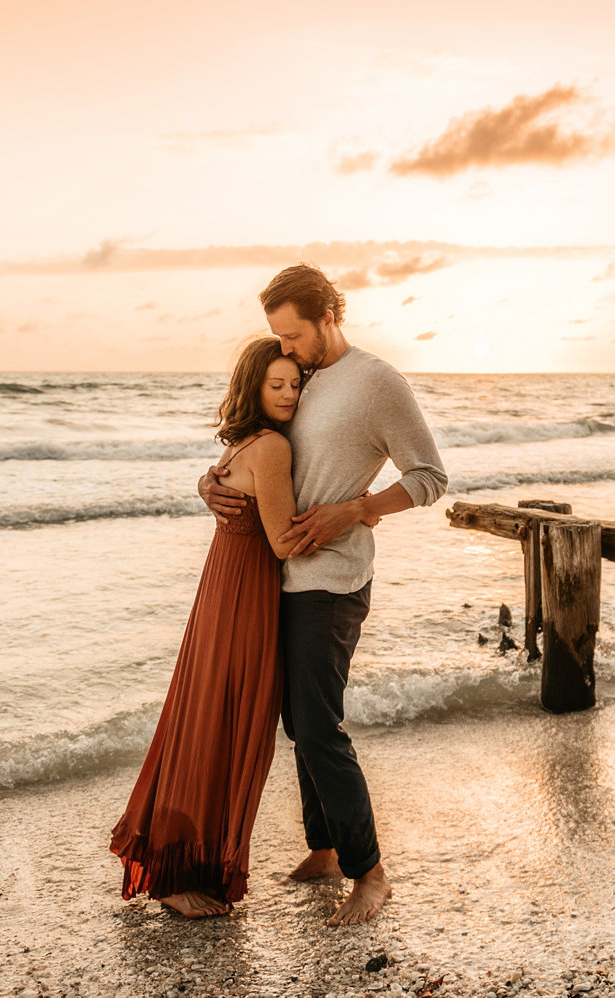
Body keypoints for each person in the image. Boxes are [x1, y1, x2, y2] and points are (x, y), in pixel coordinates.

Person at [201, 263, 447, 927]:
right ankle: (327, 847)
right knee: (297, 722)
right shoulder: (304, 378)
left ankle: (371, 873)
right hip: (280, 576)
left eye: (292, 335)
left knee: (316, 726)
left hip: (332, 580)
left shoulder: (375, 382)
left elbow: (430, 477)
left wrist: (356, 510)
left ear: (326, 317)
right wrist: (211, 481)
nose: (285, 349)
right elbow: (261, 441)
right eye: (277, 338)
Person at [110, 336, 307, 918]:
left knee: (203, 718)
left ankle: (187, 864)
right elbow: (281, 542)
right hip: (246, 599)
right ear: (253, 388)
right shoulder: (270, 447)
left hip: (223, 591)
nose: (290, 395)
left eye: (296, 384)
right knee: (225, 725)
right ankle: (177, 873)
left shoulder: (246, 441)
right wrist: (354, 514)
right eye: (277, 386)